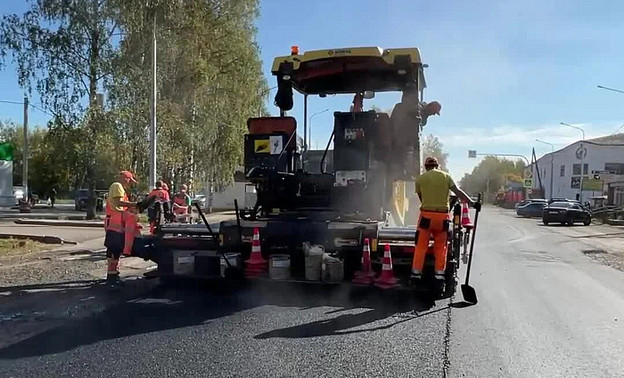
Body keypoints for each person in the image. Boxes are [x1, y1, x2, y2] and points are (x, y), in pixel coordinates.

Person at [411, 157, 479, 282]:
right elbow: (458, 192)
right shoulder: (446, 177)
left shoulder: (420, 179)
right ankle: (439, 275)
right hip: (442, 217)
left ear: (426, 167)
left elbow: (422, 198)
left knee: (421, 246)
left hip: (426, 216)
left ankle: (416, 274)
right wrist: (472, 203)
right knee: (441, 247)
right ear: (438, 166)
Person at [104, 171, 137, 284]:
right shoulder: (117, 186)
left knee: (115, 248)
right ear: (124, 178)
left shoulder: (118, 187)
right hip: (115, 222)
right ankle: (111, 274)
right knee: (114, 248)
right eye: (129, 180)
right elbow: (118, 202)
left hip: (116, 222)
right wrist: (134, 205)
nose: (129, 183)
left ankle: (112, 272)